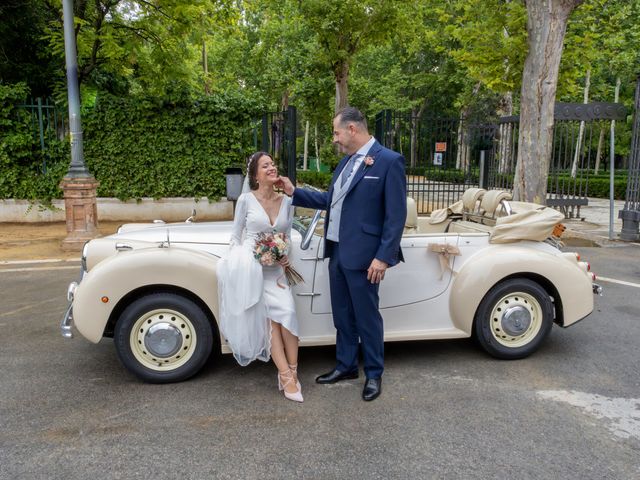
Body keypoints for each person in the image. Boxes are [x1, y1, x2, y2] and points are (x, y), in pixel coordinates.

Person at [278, 106, 406, 401]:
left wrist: (383, 257)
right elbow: (329, 200)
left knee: (367, 317)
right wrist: (292, 191)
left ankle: (374, 373)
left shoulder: (389, 161)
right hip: (337, 252)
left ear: (352, 129)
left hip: (365, 257)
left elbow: (395, 216)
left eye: (336, 132)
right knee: (343, 316)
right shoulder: (345, 163)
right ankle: (347, 366)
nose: (334, 139)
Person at [217, 151, 303, 403]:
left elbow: (285, 237)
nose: (272, 168)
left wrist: (284, 255)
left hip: (276, 271)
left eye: (273, 164)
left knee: (287, 315)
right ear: (255, 174)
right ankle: (286, 376)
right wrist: (244, 260)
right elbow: (236, 237)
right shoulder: (245, 199)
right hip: (253, 271)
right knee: (269, 323)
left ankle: (294, 371)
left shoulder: (287, 200)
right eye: (265, 165)